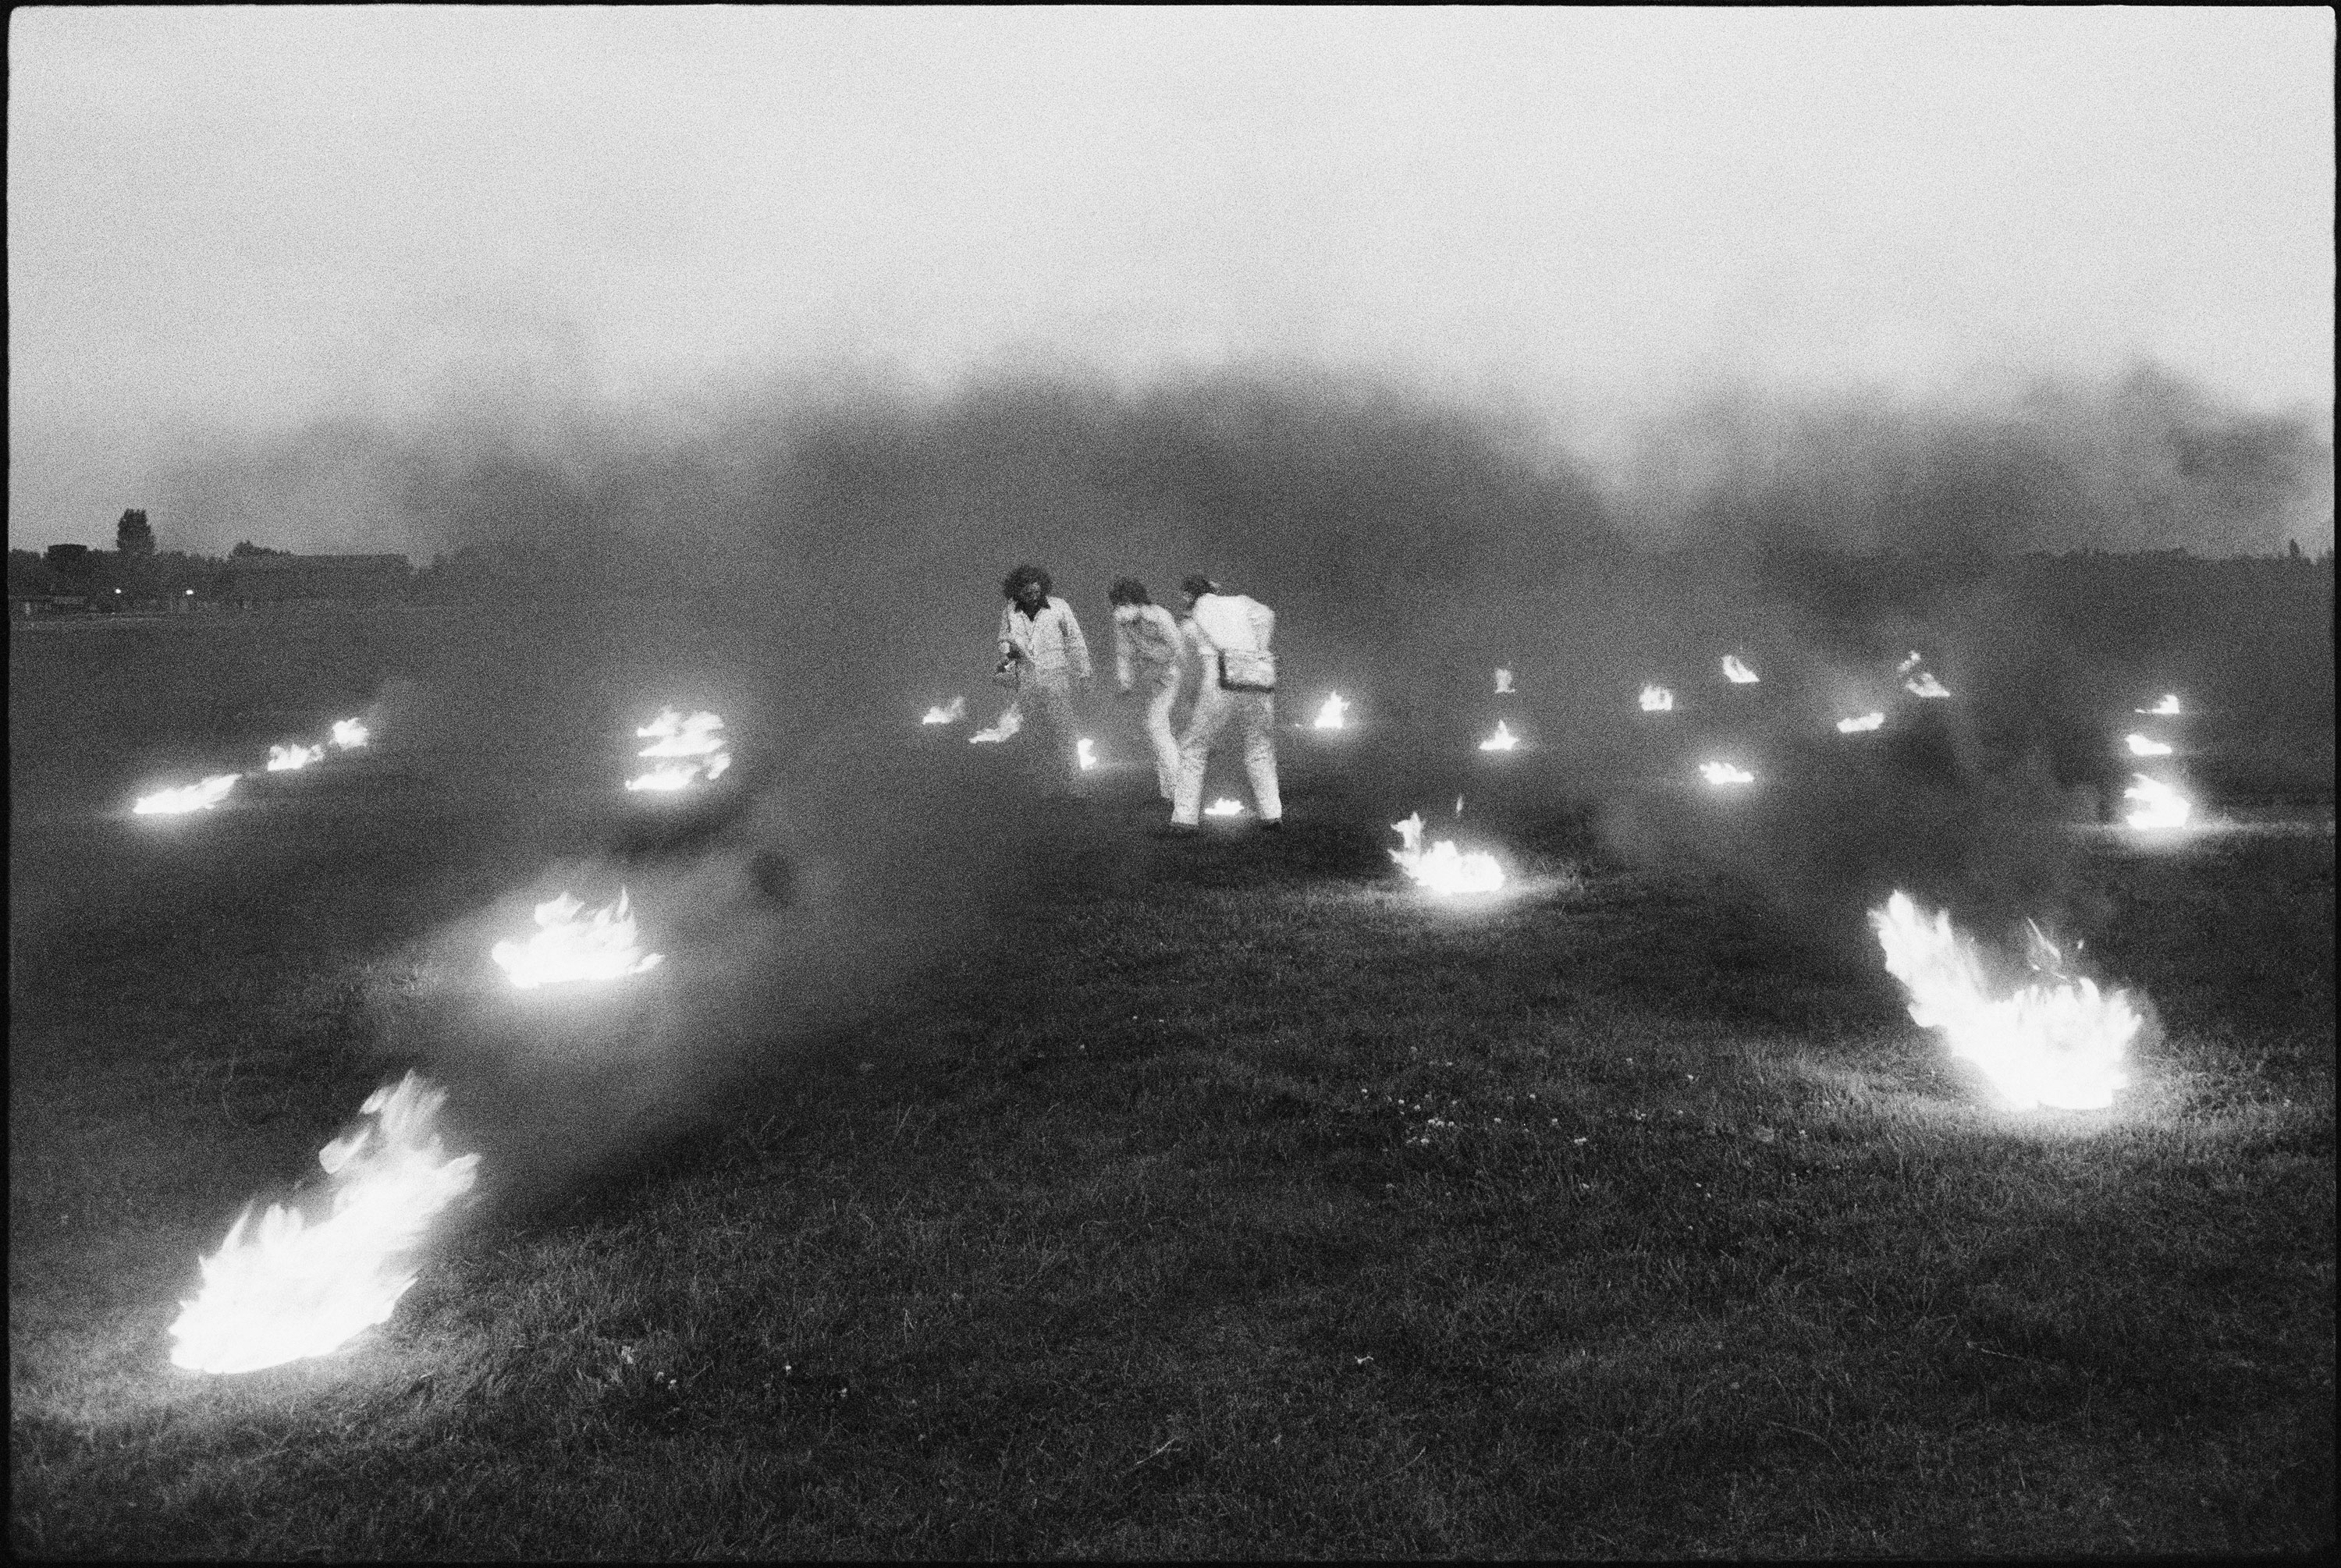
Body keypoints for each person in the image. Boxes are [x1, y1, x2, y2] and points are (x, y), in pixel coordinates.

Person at [1165, 573, 1281, 832]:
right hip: (1258, 678)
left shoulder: (1192, 618)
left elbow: (1184, 659)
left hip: (1220, 679)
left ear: (1188, 595)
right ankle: (1272, 813)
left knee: (1194, 748)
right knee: (1260, 747)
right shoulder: (1240, 602)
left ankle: (1184, 818)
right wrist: (1257, 648)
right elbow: (1267, 616)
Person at [994, 564, 1092, 786]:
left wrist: (1084, 673)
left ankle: (1075, 785)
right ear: (1017, 591)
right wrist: (1007, 656)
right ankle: (1047, 786)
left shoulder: (1059, 607)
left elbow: (1075, 640)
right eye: (1027, 592)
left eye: (1036, 591)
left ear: (1042, 588)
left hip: (1056, 674)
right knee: (1036, 732)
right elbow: (1003, 640)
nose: (1032, 596)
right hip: (1027, 678)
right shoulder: (1010, 611)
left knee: (1065, 729)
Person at [1107, 577, 1186, 804]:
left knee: (1156, 726)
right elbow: (1124, 653)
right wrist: (1125, 683)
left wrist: (1180, 677)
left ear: (1135, 601)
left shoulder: (1160, 616)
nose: (1119, 610)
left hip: (1173, 676)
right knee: (1158, 731)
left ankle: (1181, 788)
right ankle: (1170, 791)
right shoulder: (1124, 623)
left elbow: (1179, 648)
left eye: (1123, 604)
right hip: (1153, 678)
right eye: (1117, 605)